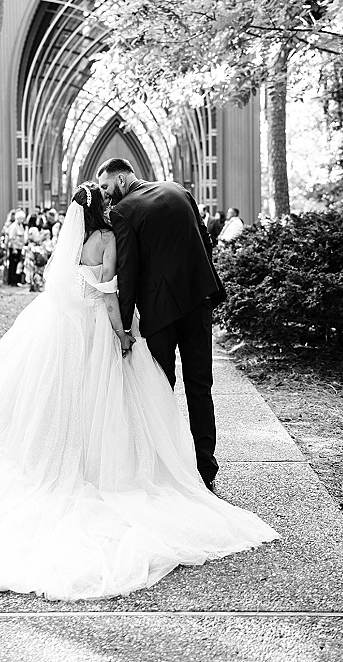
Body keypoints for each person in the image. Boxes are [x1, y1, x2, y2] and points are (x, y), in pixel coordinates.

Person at [0, 182, 278, 603]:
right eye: (105, 199)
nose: (111, 203)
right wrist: (124, 335)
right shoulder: (112, 235)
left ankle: (76, 465)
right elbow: (109, 295)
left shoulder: (72, 244)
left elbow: (72, 286)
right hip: (112, 327)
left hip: (71, 332)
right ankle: (161, 468)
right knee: (133, 401)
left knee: (72, 405)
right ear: (99, 207)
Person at [97, 158, 225, 491]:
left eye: (107, 188)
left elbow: (128, 271)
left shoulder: (124, 211)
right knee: (200, 385)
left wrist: (124, 327)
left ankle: (170, 466)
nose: (107, 197)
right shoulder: (179, 190)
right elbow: (205, 241)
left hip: (160, 312)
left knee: (161, 387)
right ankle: (206, 467)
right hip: (198, 301)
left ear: (122, 179)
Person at [6, 209, 26, 286]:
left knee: (18, 265)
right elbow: (11, 238)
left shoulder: (21, 226)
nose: (22, 220)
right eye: (21, 219)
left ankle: (16, 280)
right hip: (14, 248)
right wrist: (14, 248)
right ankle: (12, 281)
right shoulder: (13, 226)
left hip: (19, 247)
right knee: (13, 265)